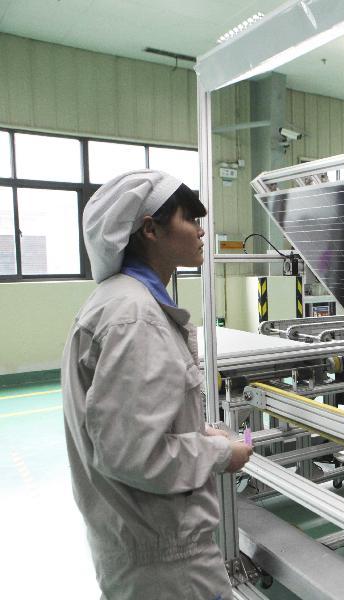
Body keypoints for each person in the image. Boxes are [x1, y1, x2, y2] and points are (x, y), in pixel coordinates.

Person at [61, 170, 253, 600]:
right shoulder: (135, 317)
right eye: (190, 219)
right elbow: (135, 454)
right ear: (150, 228)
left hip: (141, 543)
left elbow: (130, 426)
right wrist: (223, 452)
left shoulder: (122, 301)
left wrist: (200, 432)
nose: (202, 231)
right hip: (166, 560)